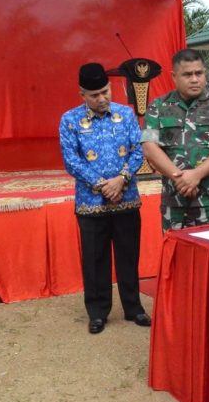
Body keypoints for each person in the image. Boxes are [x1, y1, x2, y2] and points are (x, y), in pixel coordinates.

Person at [59, 62, 150, 335]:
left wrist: (121, 179)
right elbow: (71, 160)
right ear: (82, 94)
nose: (102, 98)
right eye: (95, 94)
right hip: (91, 203)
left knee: (128, 255)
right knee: (95, 259)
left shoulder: (127, 114)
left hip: (127, 198)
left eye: (105, 91)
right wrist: (102, 185)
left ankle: (133, 308)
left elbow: (138, 150)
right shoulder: (70, 120)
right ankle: (97, 313)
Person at [142, 49, 209, 231]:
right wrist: (180, 178)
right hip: (174, 204)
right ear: (174, 76)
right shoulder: (158, 106)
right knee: (177, 257)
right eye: (187, 74)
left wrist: (197, 174)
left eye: (199, 73)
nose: (195, 79)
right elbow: (149, 147)